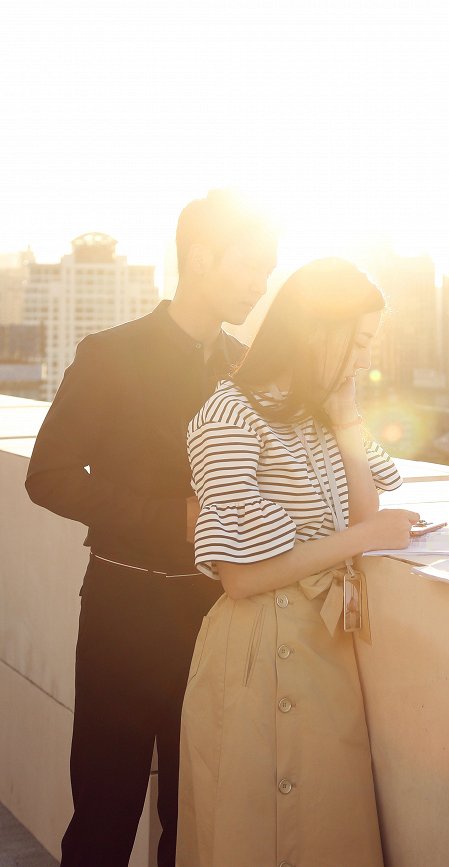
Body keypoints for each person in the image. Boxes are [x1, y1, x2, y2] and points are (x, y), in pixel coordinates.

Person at [24, 189, 278, 867]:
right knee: (104, 816)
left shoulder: (250, 369)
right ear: (199, 257)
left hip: (219, 616)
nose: (261, 284)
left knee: (194, 822)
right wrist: (171, 516)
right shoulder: (111, 352)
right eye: (250, 267)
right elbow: (46, 474)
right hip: (123, 611)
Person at [177, 258, 420, 866]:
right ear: (319, 331)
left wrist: (344, 416)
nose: (364, 359)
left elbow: (365, 517)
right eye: (359, 342)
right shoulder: (229, 417)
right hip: (262, 650)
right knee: (264, 835)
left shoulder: (317, 414)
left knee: (326, 831)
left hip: (323, 647)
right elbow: (240, 577)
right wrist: (362, 539)